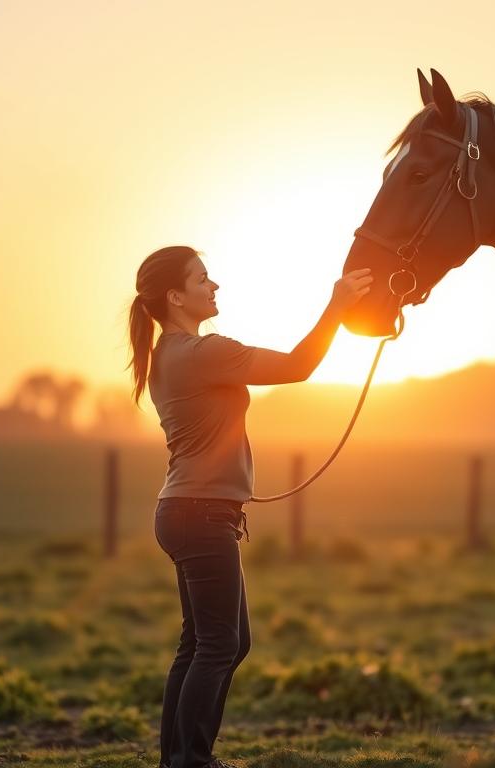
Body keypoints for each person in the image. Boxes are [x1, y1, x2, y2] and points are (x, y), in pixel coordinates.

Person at [126, 245, 372, 768]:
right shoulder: (203, 352)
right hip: (201, 514)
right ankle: (190, 761)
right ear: (175, 296)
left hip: (187, 511)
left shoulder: (165, 357)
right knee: (218, 646)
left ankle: (178, 757)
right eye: (202, 279)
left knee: (206, 645)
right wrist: (336, 307)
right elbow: (298, 366)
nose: (214, 287)